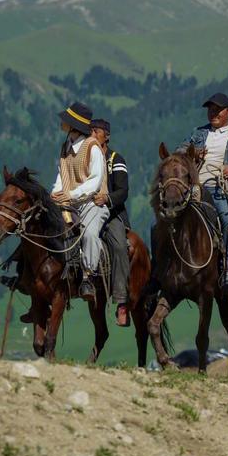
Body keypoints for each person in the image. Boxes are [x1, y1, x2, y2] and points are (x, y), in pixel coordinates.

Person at [177, 92, 228, 288]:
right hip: (195, 188)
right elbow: (178, 152)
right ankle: (164, 267)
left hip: (221, 188)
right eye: (210, 109)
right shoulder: (197, 133)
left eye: (217, 109)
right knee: (164, 219)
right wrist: (192, 153)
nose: (213, 113)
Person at [51, 101, 109, 301]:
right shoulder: (65, 146)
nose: (62, 122)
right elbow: (62, 175)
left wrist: (71, 195)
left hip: (93, 203)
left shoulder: (92, 147)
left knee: (90, 234)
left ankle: (88, 276)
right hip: (70, 201)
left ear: (74, 125)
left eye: (66, 120)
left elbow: (95, 182)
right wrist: (55, 193)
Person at [90, 118, 131, 327]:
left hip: (112, 212)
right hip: (87, 210)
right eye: (90, 132)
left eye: (95, 131)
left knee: (120, 246)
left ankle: (122, 301)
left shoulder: (115, 158)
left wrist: (107, 199)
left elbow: (123, 191)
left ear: (106, 136)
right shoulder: (85, 158)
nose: (92, 135)